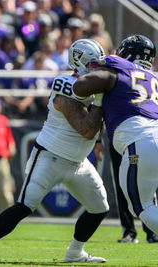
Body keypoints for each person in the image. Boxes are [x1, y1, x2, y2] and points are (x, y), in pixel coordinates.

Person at [0, 39, 109, 263]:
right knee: (24, 206)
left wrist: (99, 141)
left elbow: (95, 129)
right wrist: (99, 102)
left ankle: (74, 252)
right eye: (91, 65)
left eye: (99, 65)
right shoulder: (64, 83)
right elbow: (86, 129)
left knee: (99, 208)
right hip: (50, 157)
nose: (97, 70)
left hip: (79, 162)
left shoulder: (96, 88)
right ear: (77, 63)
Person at [73, 34, 158, 240]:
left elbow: (80, 87)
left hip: (141, 140)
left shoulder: (118, 66)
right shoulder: (152, 77)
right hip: (150, 134)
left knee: (142, 207)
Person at [94, 139, 158, 243]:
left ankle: (152, 232)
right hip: (118, 141)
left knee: (146, 184)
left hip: (139, 139)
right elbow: (101, 121)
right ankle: (129, 231)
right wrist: (98, 140)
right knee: (122, 187)